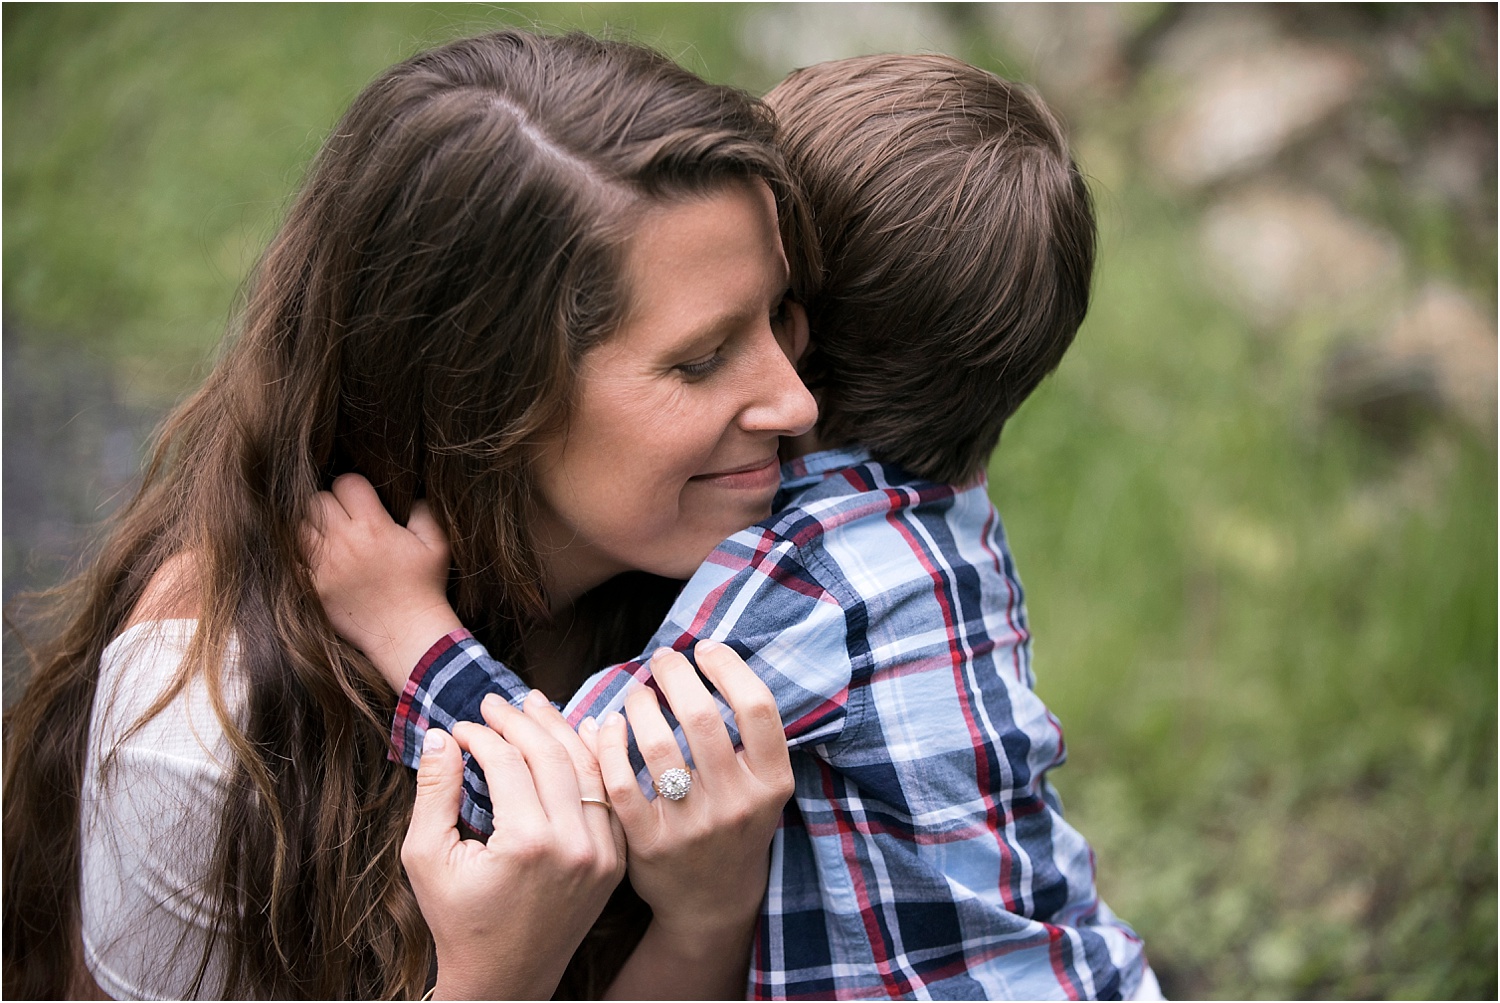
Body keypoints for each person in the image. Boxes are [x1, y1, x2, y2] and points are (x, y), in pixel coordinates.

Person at [312, 54, 1166, 999]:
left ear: (804, 325)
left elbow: (562, 802)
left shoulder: (814, 571)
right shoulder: (949, 523)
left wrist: (404, 624)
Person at [1, 29, 814, 1000]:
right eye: (700, 358)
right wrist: (492, 979)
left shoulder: (755, 597)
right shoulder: (206, 736)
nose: (796, 401)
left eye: (781, 316)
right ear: (488, 398)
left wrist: (707, 915)